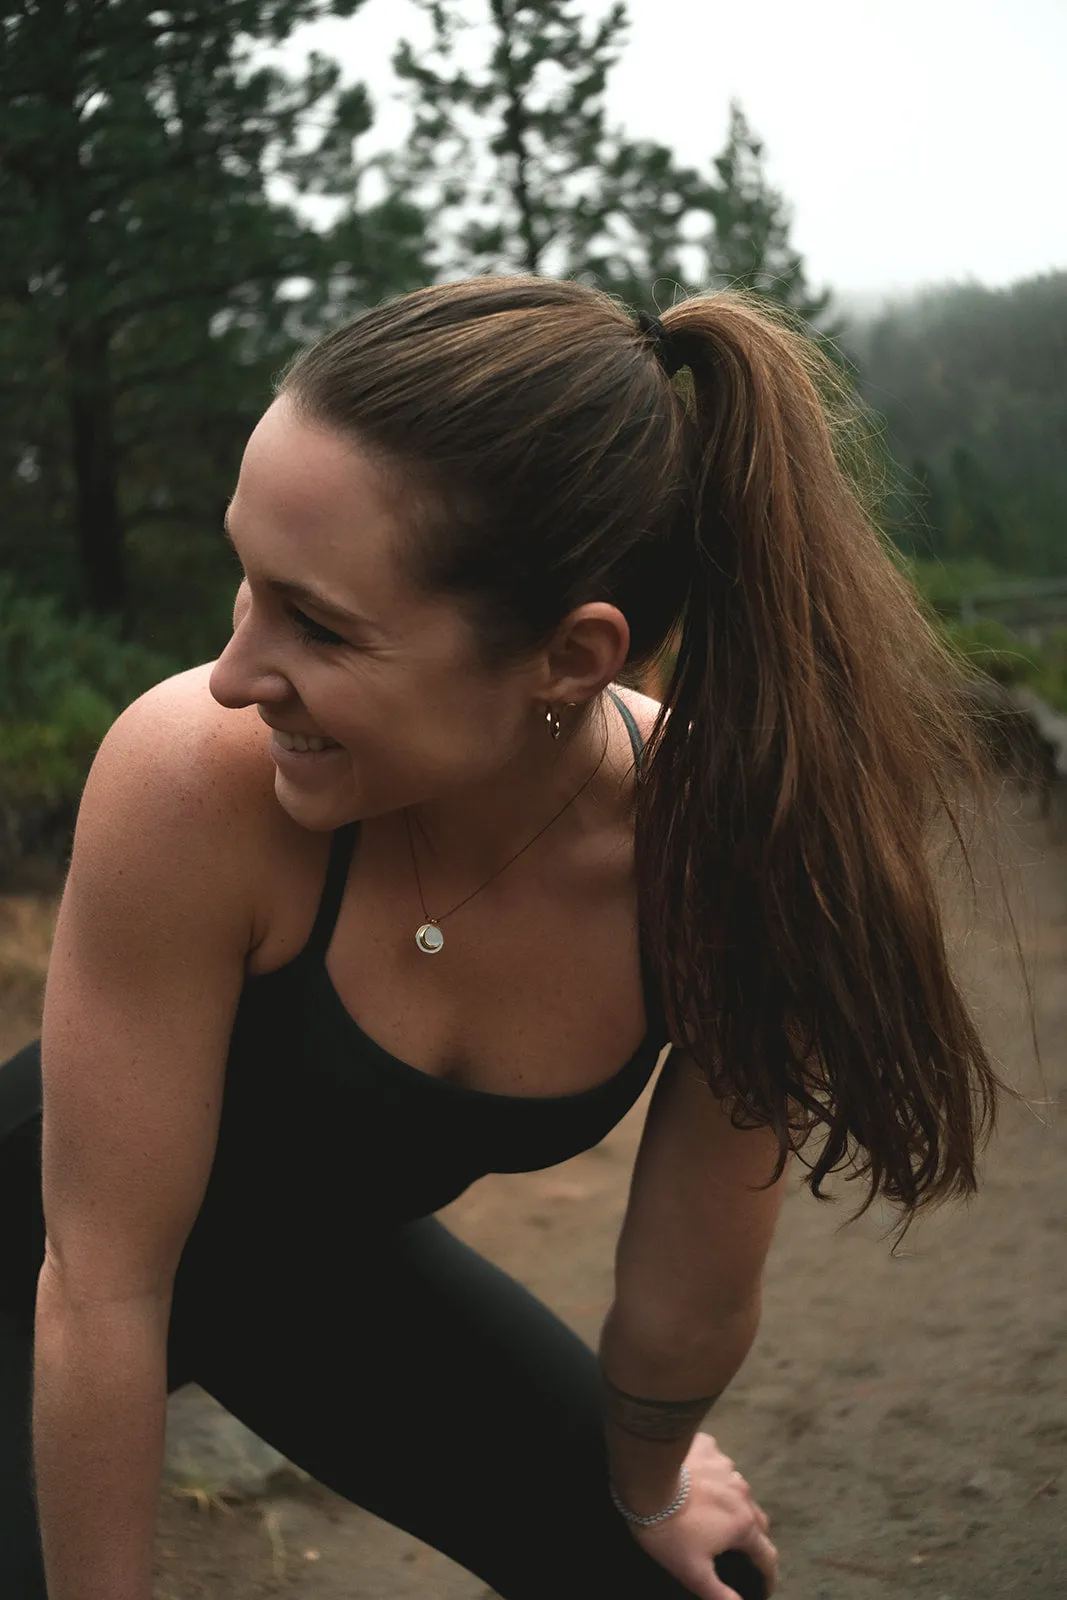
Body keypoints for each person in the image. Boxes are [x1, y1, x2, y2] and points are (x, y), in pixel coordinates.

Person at [0, 276, 1006, 1600]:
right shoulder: (195, 778)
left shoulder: (728, 861)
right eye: (247, 585)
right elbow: (100, 1284)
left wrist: (645, 1491)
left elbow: (683, 1297)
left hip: (313, 1283)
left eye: (318, 623)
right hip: (56, 1294)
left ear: (568, 657)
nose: (235, 673)